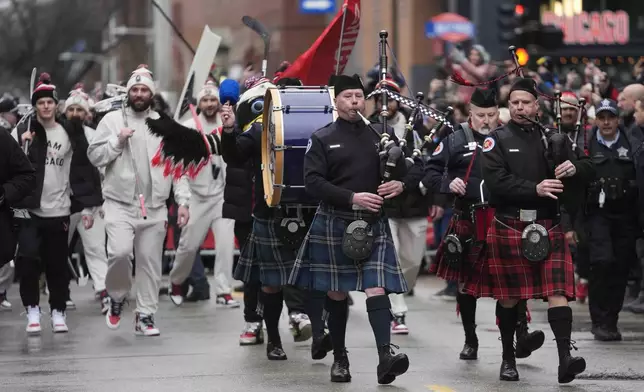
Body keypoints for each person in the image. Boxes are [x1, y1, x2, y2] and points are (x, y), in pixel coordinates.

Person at [289, 74, 424, 384]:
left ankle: (384, 356)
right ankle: (339, 357)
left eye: (358, 96)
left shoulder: (381, 136)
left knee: (376, 288)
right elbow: (312, 182)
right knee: (337, 292)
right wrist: (351, 196)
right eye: (348, 96)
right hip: (336, 219)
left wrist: (400, 184)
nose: (354, 102)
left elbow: (414, 168)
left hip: (373, 222)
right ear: (336, 102)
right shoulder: (323, 138)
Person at [479, 77, 594, 383]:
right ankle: (507, 357)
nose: (519, 107)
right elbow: (495, 180)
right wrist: (536, 188)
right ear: (508, 106)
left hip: (548, 223)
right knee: (509, 297)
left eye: (525, 102)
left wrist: (574, 168)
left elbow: (589, 167)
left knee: (558, 292)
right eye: (514, 102)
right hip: (510, 222)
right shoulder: (497, 139)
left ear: (537, 106)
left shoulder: (554, 139)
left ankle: (565, 358)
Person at [428, 87, 545, 361]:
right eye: (481, 115)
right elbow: (430, 171)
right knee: (466, 285)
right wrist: (447, 183)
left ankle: (521, 334)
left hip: (504, 218)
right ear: (471, 113)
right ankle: (471, 339)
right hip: (468, 218)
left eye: (492, 114)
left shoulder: (508, 137)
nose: (487, 120)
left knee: (512, 283)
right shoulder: (455, 139)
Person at [219, 76, 324, 360]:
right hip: (270, 211)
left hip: (307, 210)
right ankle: (274, 341)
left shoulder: (316, 128)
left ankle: (319, 336)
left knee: (313, 278)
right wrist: (228, 130)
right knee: (270, 282)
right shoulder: (259, 128)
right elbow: (234, 156)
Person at [87, 65, 191, 336]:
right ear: (128, 92)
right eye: (135, 89)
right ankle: (118, 296)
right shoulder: (112, 121)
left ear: (151, 94)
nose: (139, 93)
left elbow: (177, 167)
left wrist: (183, 202)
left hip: (154, 206)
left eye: (144, 89)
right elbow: (95, 157)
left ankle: (145, 314)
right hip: (120, 203)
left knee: (149, 263)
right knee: (119, 253)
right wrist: (116, 142)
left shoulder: (163, 125)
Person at [16, 73, 102, 334]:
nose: (45, 107)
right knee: (28, 262)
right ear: (35, 106)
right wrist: (23, 146)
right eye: (40, 103)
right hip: (30, 210)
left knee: (57, 265)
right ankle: (32, 310)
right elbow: (9, 164)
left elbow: (85, 169)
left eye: (49, 102)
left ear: (56, 105)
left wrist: (88, 206)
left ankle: (58, 311)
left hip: (60, 210)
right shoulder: (24, 130)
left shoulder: (69, 132)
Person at [162, 80, 238, 308]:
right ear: (199, 103)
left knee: (225, 246)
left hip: (222, 196)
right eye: (205, 100)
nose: (209, 104)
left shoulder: (228, 123)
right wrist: (183, 201)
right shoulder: (188, 128)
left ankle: (224, 291)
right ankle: (176, 282)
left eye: (213, 99)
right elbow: (179, 171)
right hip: (196, 196)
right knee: (187, 246)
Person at [369, 77, 429, 335]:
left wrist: (431, 196)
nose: (385, 105)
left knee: (412, 262)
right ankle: (398, 311)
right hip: (386, 205)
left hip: (415, 202)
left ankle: (402, 292)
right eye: (380, 100)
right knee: (390, 258)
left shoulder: (416, 126)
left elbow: (428, 164)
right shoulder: (370, 127)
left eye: (390, 99)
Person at [584, 99, 641, 341]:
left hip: (625, 215)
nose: (606, 122)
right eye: (602, 117)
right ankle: (598, 320)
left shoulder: (632, 144)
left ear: (618, 119)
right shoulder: (585, 145)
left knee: (620, 268)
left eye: (610, 117)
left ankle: (611, 321)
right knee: (602, 263)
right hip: (597, 214)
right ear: (596, 120)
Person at [63, 84, 110, 314]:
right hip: (61, 204)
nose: (74, 114)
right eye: (70, 110)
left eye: (79, 110)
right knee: (58, 250)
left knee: (95, 249)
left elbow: (102, 169)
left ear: (86, 114)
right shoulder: (57, 135)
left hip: (91, 203)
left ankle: (103, 292)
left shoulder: (93, 136)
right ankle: (60, 293)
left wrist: (102, 201)